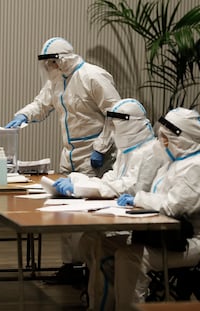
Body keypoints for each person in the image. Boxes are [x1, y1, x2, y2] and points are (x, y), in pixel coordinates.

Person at [5, 37, 121, 283]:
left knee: (87, 213)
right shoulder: (57, 80)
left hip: (94, 154)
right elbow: (41, 104)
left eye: (51, 63)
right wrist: (23, 116)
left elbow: (116, 114)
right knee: (64, 210)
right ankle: (71, 265)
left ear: (62, 59)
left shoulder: (93, 76)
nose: (48, 68)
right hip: (69, 153)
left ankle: (91, 267)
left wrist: (101, 147)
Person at [52, 98, 168, 310]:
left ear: (131, 124)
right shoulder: (128, 150)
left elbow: (130, 187)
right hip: (127, 220)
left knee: (102, 248)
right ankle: (101, 301)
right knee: (90, 241)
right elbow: (113, 178)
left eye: (118, 124)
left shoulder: (150, 151)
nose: (115, 130)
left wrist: (82, 188)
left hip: (146, 229)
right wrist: (79, 181)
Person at [113, 108, 200, 311]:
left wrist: (139, 199)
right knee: (110, 246)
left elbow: (172, 206)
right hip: (174, 236)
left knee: (129, 257)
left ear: (181, 139)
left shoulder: (198, 167)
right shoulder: (176, 163)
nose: (161, 143)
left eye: (165, 138)